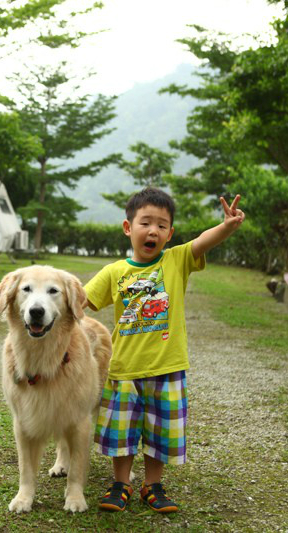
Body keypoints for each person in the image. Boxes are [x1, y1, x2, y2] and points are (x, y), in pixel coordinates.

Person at [83, 187, 245, 513]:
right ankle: (121, 483)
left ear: (169, 234)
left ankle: (152, 484)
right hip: (124, 369)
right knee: (122, 433)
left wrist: (226, 226)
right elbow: (82, 301)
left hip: (167, 368)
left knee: (160, 433)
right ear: (129, 228)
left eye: (161, 225)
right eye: (145, 223)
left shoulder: (176, 260)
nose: (152, 230)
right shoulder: (115, 272)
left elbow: (202, 241)